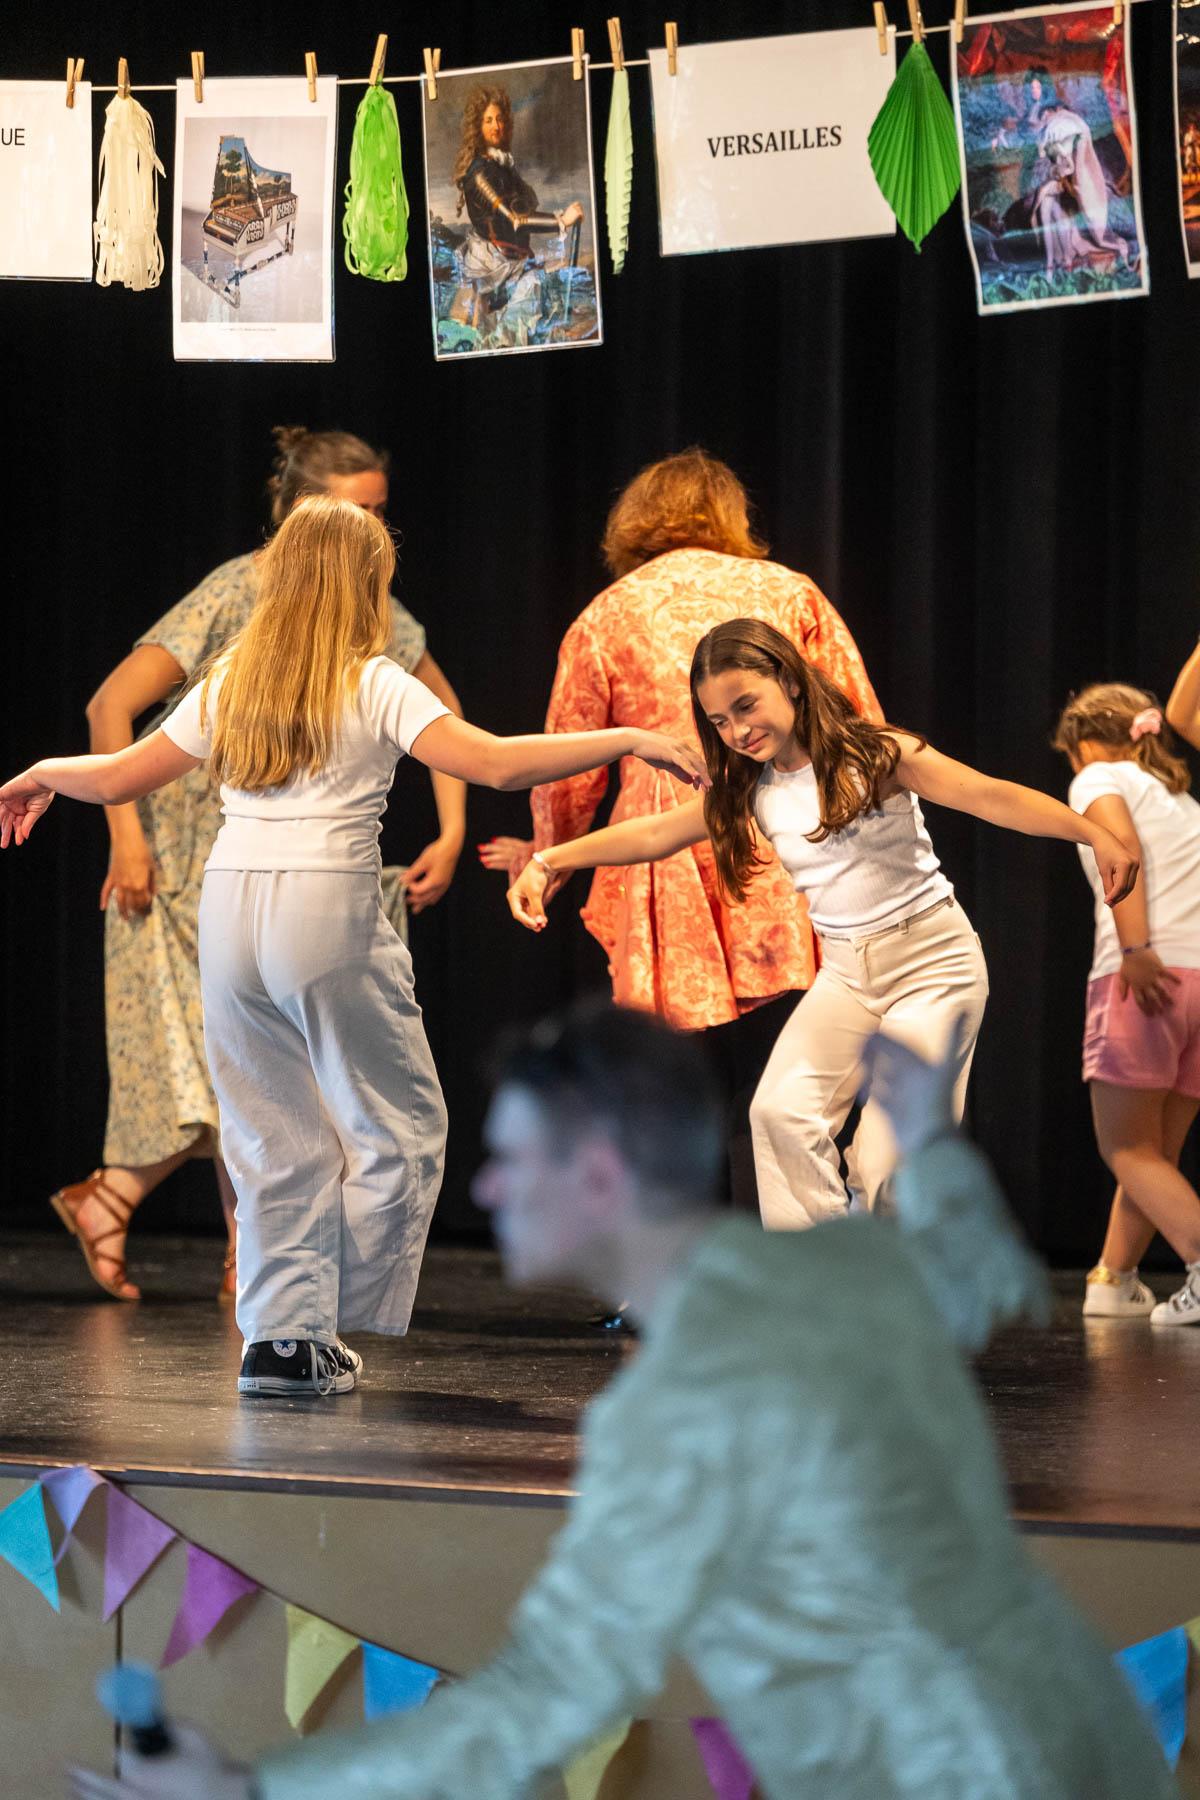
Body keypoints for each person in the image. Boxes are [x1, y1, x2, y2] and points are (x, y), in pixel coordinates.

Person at [66, 1005, 1175, 1800]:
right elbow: (973, 1269)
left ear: (598, 1176)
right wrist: (926, 1139)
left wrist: (262, 1792)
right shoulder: (844, 1268)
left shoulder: (679, 1408)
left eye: (508, 1159)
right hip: (1086, 1732)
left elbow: (542, 1702)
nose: (488, 1187)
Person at [0, 498, 707, 1400]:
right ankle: (320, 1310)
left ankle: (283, 1341)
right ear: (364, 585)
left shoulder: (233, 680)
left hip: (230, 910)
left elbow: (115, 774)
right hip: (324, 908)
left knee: (270, 1138)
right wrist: (636, 738)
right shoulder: (371, 679)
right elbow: (491, 762)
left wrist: (38, 776)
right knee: (401, 1132)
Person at [508, 619, 1138, 1228]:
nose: (738, 730)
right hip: (846, 974)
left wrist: (1090, 833)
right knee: (780, 1115)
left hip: (932, 966)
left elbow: (987, 795)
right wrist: (550, 859)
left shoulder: (877, 752)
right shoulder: (750, 787)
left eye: (747, 706)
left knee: (888, 1157)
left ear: (788, 678)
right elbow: (654, 833)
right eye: (720, 721)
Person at [54, 426, 467, 1307]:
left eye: (381, 515)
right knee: (225, 1076)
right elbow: (111, 711)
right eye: (359, 514)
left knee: (288, 1079)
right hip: (196, 865)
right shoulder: (241, 594)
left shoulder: (375, 609)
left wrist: (451, 830)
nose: (377, 534)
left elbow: (449, 723)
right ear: (300, 519)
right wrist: (126, 841)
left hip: (307, 861)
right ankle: (253, 1267)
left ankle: (216, 1248)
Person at [480, 449, 881, 1208]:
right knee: (779, 1070)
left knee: (677, 1076)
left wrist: (548, 854)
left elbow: (568, 756)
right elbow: (858, 718)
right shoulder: (789, 591)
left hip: (664, 852)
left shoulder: (608, 612)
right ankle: (775, 1258)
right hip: (782, 840)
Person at [1053, 684, 1200, 1324]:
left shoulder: (1098, 777)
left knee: (1127, 1150)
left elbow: (1122, 852)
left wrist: (1135, 946)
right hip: (1198, 980)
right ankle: (1114, 1281)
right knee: (1154, 1156)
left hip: (1147, 974)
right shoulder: (1184, 801)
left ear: (1084, 742)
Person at [451, 86, 585, 344]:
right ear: (477, 126)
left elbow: (524, 210)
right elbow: (514, 219)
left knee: (542, 291)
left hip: (511, 258)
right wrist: (561, 221)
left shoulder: (501, 164)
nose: (496, 126)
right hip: (493, 264)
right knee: (514, 316)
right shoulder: (479, 174)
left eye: (500, 119)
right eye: (488, 120)